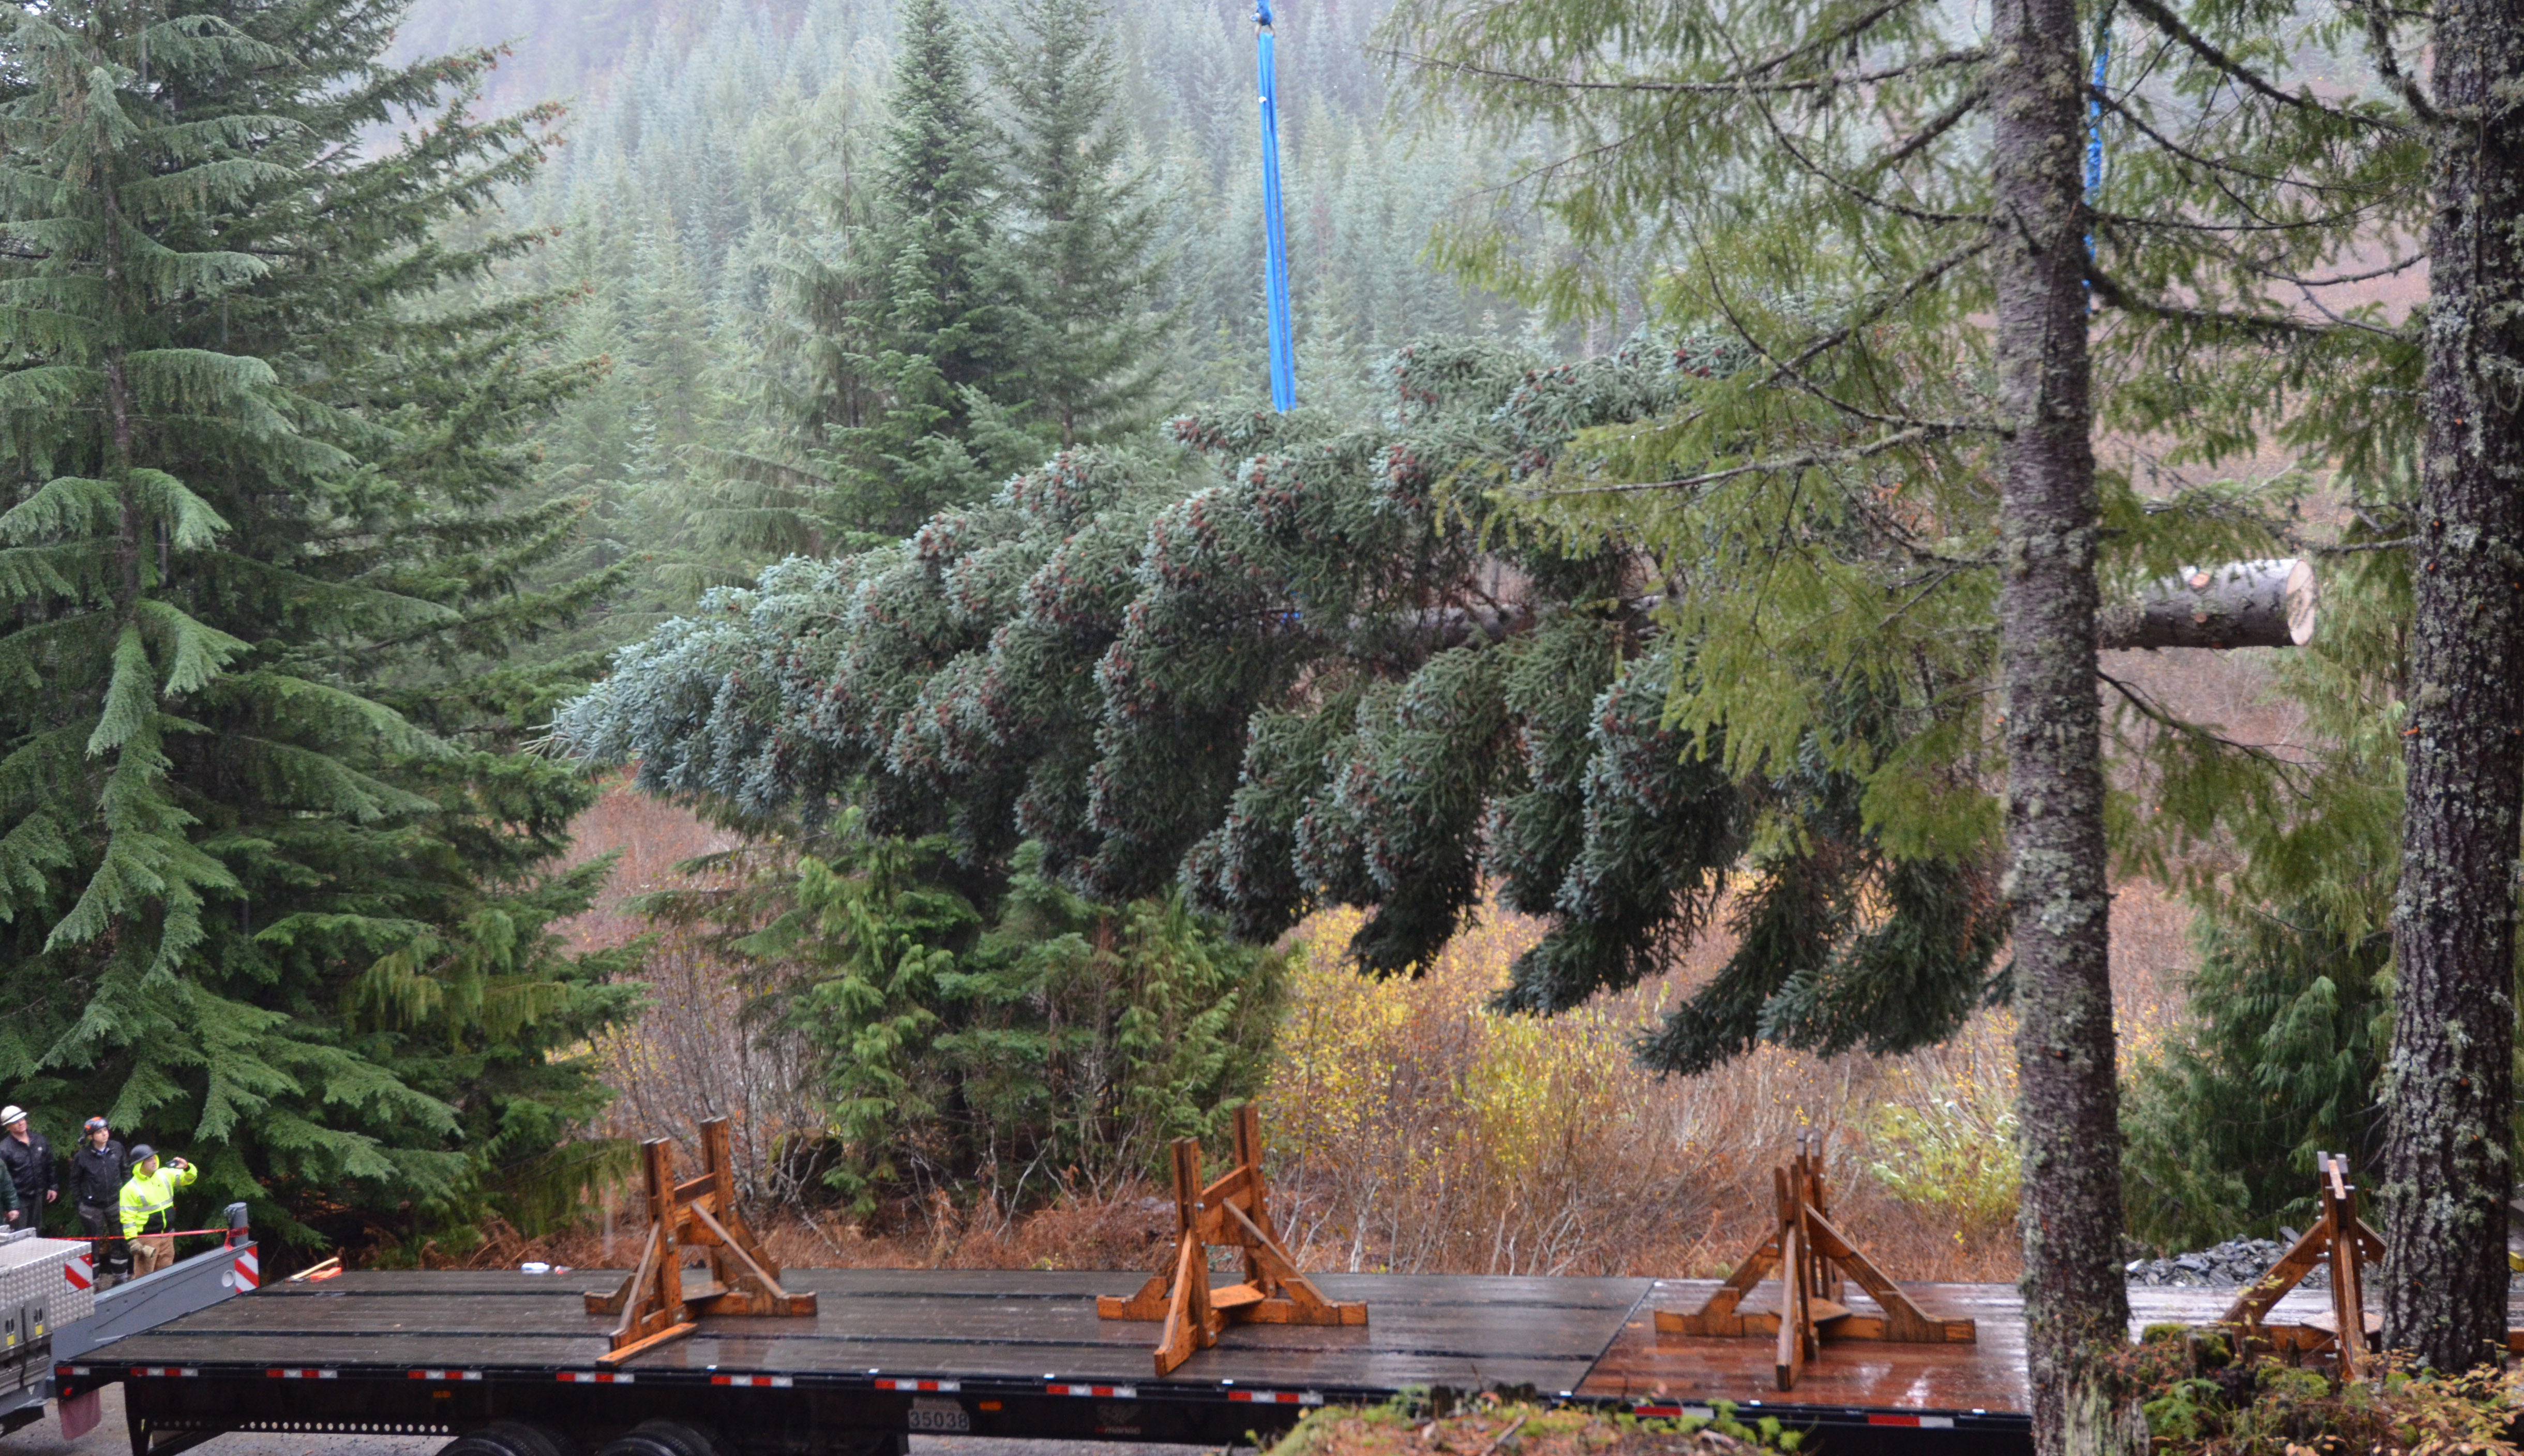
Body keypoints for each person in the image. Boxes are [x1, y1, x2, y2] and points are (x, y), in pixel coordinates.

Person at [118, 1145, 196, 1277]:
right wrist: (132, 1240)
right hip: (148, 1239)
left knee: (166, 1275)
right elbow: (128, 1218)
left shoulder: (165, 1174)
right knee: (144, 1277)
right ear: (139, 1165)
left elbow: (188, 1178)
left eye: (154, 1158)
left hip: (167, 1236)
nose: (154, 1161)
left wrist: (187, 1167)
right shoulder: (129, 1189)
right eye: (149, 1160)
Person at [70, 1119, 130, 1286]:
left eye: (105, 1130)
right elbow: (74, 1182)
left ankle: (121, 1277)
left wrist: (126, 1193)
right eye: (99, 1132)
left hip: (116, 1202)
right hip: (92, 1207)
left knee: (119, 1239)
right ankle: (93, 1280)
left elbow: (125, 1170)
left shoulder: (117, 1148)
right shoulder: (82, 1157)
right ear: (91, 1137)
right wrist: (80, 1204)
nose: (104, 1133)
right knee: (92, 1243)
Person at [0, 1107, 52, 1232]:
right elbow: (4, 1181)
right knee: (19, 1234)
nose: (21, 1123)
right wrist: (10, 1206)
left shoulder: (39, 1140)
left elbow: (49, 1164)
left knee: (35, 1231)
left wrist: (53, 1186)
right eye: (15, 1122)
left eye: (22, 1119)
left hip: (38, 1195)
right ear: (8, 1127)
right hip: (18, 1199)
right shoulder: (4, 1149)